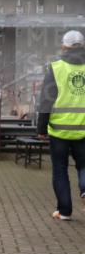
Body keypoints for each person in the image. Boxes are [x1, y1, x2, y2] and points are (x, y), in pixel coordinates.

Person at [36, 30, 85, 221]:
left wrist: (41, 128)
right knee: (84, 165)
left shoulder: (56, 68)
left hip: (59, 132)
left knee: (60, 170)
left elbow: (46, 100)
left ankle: (64, 211)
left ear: (64, 46)